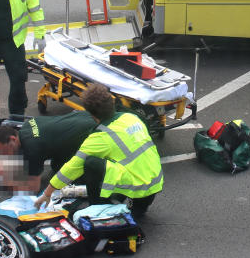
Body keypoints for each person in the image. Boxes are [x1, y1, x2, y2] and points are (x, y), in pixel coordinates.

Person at [34, 83, 163, 217]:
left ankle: (98, 208)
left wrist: (47, 193)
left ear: (91, 114)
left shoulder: (100, 137)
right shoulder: (132, 118)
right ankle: (138, 204)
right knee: (117, 157)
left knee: (91, 162)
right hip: (154, 181)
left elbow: (72, 168)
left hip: (137, 186)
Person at [0, 111, 100, 191]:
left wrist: (6, 184)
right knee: (56, 166)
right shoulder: (27, 126)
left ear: (12, 139)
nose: (5, 155)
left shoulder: (32, 149)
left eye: (5, 151)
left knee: (69, 178)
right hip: (85, 115)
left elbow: (34, 188)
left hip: (93, 132)